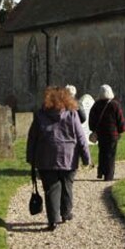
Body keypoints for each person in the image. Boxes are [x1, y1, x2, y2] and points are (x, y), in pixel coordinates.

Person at [26, 86, 91, 231]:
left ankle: (53, 220)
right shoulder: (72, 114)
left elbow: (32, 138)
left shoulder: (40, 115)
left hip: (46, 158)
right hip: (69, 157)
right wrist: (86, 157)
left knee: (51, 189)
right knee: (67, 186)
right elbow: (80, 137)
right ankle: (66, 213)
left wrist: (30, 157)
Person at [90, 84, 125, 181]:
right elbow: (120, 119)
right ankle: (108, 175)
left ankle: (101, 172)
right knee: (110, 154)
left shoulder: (96, 105)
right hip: (112, 134)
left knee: (102, 152)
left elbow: (91, 120)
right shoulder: (115, 105)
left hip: (101, 134)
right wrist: (121, 130)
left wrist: (93, 130)